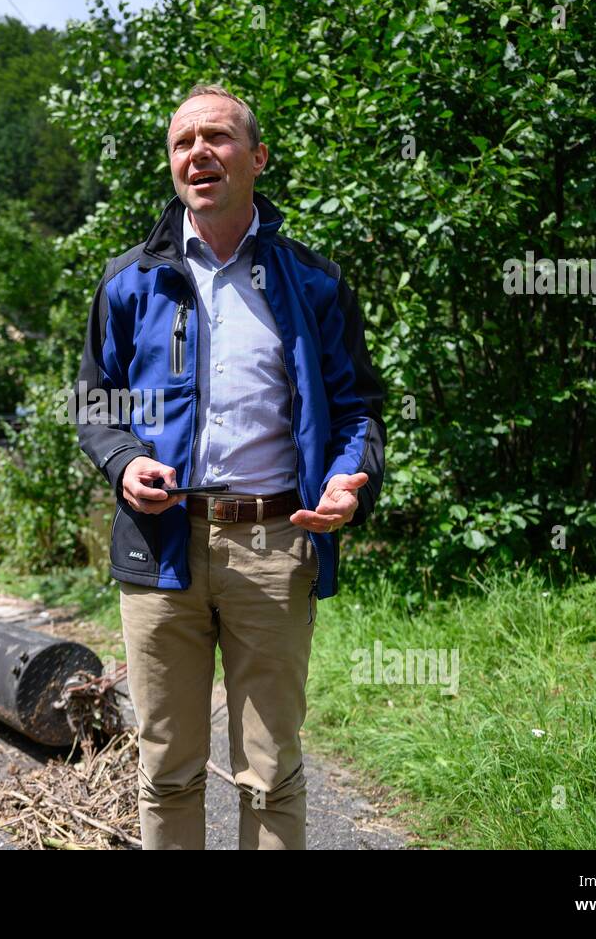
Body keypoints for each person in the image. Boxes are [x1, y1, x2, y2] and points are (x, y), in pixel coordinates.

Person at [72, 83, 386, 849]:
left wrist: (352, 478)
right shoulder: (128, 281)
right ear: (172, 165)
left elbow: (357, 410)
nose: (198, 153)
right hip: (159, 546)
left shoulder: (315, 281)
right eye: (183, 142)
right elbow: (94, 402)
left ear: (257, 159)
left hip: (274, 546)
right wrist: (122, 462)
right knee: (166, 767)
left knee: (270, 769)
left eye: (216, 137)